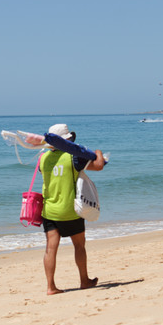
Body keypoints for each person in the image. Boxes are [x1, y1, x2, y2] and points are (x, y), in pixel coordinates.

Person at [40, 124, 105, 295]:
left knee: (50, 249)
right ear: (67, 140)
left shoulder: (43, 158)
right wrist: (98, 152)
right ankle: (84, 280)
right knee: (79, 246)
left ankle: (50, 287)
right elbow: (98, 165)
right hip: (70, 211)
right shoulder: (74, 158)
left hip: (49, 210)